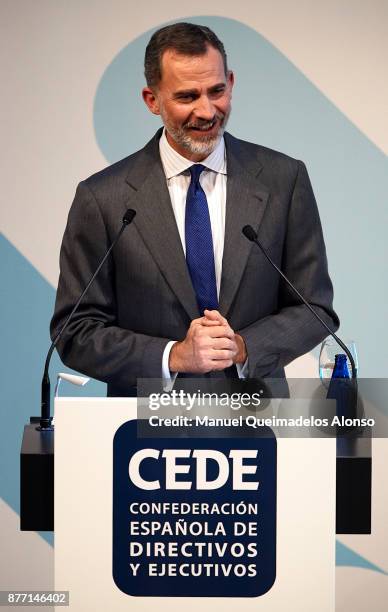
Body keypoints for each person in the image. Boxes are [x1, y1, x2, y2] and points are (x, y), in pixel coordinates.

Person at [51, 22, 339, 397]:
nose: (207, 111)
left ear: (231, 83)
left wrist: (243, 347)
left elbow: (314, 307)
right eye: (187, 96)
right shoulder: (102, 198)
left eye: (216, 91)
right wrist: (172, 356)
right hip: (144, 433)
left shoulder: (284, 180)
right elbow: (75, 331)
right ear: (152, 100)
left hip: (259, 421)